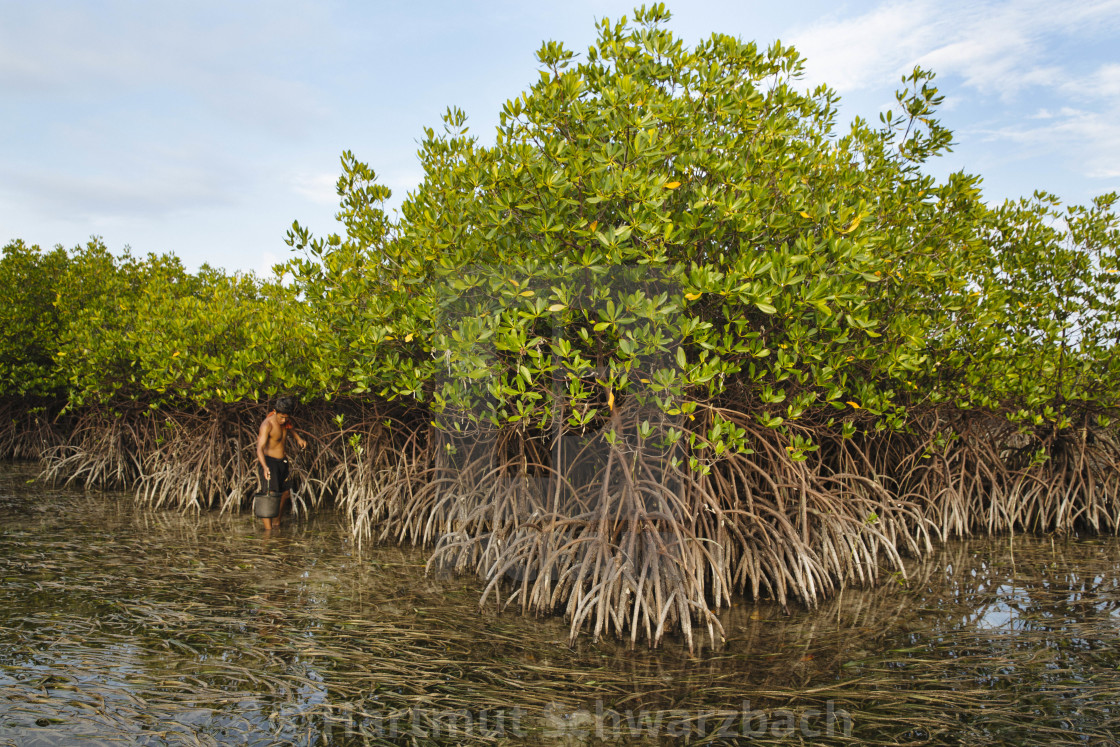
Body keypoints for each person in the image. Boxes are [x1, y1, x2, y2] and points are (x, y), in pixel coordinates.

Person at [256, 396, 307, 530]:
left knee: (285, 494)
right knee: (270, 495)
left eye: (286, 417)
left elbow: (290, 428)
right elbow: (259, 448)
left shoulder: (286, 421)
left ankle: (276, 523)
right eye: (281, 417)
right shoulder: (267, 425)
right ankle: (268, 533)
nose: (283, 420)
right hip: (269, 462)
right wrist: (265, 467)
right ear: (275, 412)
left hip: (282, 462)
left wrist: (298, 438)